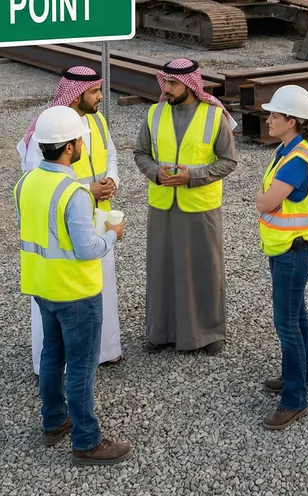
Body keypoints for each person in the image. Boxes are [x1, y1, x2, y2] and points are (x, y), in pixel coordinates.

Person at [16, 106, 131, 465]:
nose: (82, 144)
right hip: (76, 292)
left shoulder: (26, 183)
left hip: (41, 286)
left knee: (53, 355)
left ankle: (53, 421)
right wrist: (112, 235)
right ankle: (86, 441)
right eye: (79, 140)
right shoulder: (74, 193)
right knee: (81, 366)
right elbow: (88, 249)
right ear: (69, 148)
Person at [18, 66, 123, 372]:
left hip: (98, 218)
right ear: (76, 96)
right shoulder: (48, 129)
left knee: (100, 286)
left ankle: (106, 351)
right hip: (62, 226)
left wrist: (111, 181)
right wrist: (88, 190)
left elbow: (111, 155)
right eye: (94, 92)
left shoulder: (98, 121)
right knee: (62, 297)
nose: (100, 97)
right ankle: (58, 364)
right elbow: (39, 177)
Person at [133, 58, 237, 355]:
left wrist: (193, 176)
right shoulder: (153, 114)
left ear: (191, 85)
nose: (166, 88)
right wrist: (155, 172)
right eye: (165, 82)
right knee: (161, 269)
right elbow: (140, 153)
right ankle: (160, 332)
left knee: (205, 269)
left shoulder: (215, 117)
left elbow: (229, 162)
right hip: (163, 206)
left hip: (200, 208)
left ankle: (209, 333)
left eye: (173, 84)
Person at [256, 86, 308, 430]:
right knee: (297, 317)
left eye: (275, 115)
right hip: (291, 247)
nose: (268, 120)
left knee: (287, 323)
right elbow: (271, 199)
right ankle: (300, 375)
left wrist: (262, 198)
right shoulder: (290, 148)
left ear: (292, 121)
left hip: (292, 250)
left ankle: (295, 399)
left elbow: (266, 202)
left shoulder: (296, 159)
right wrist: (267, 197)